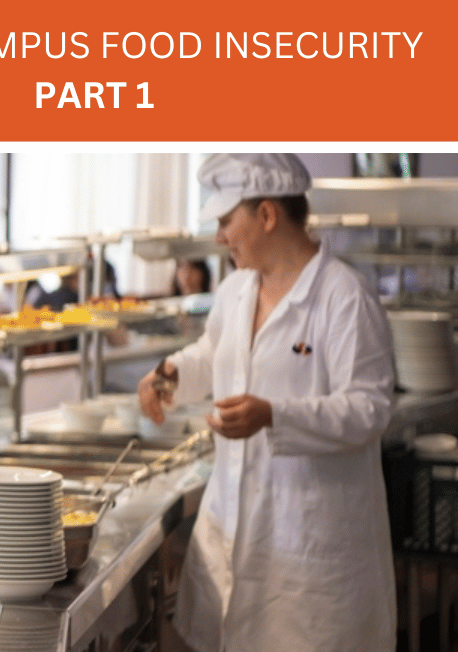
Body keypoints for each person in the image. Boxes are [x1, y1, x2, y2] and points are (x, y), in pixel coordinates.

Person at [137, 154, 395, 652]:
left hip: (311, 547)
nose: (219, 238)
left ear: (268, 215)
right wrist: (170, 374)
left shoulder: (343, 297)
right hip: (233, 526)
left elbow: (370, 407)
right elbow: (214, 354)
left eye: (225, 221)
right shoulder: (236, 290)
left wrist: (274, 415)